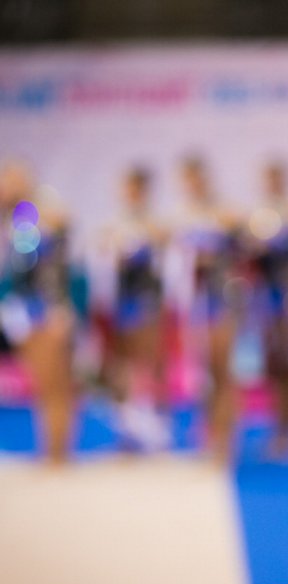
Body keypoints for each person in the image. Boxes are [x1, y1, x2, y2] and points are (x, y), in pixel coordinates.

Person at [0, 158, 78, 466]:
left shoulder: (39, 210)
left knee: (56, 383)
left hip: (50, 310)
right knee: (44, 385)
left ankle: (58, 454)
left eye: (12, 180)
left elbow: (61, 222)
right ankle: (51, 451)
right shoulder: (15, 219)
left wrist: (60, 310)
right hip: (26, 311)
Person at [168, 155, 241, 465]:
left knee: (222, 372)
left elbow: (237, 245)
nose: (192, 185)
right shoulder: (179, 216)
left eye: (197, 178)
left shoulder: (223, 212)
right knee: (203, 374)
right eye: (187, 180)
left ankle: (225, 441)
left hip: (221, 301)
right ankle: (209, 434)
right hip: (193, 304)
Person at [96, 165, 171, 452]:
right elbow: (103, 253)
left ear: (143, 191)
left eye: (133, 188)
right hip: (120, 301)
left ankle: (158, 427)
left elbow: (162, 249)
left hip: (146, 301)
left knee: (150, 362)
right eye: (125, 188)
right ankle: (127, 429)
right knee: (120, 365)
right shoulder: (115, 223)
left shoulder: (155, 223)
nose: (128, 194)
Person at [240, 160, 288, 463]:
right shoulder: (257, 216)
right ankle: (275, 428)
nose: (271, 185)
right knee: (271, 363)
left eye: (276, 179)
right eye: (267, 180)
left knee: (287, 361)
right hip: (264, 297)